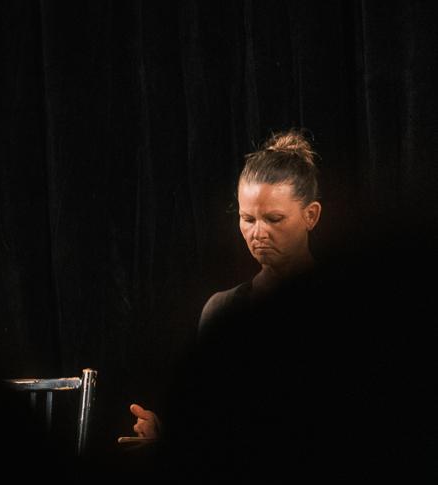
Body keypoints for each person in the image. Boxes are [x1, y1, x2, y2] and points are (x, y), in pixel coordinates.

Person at [128, 129, 322, 441]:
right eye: (248, 219)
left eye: (274, 219)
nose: (258, 233)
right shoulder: (223, 309)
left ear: (310, 215)